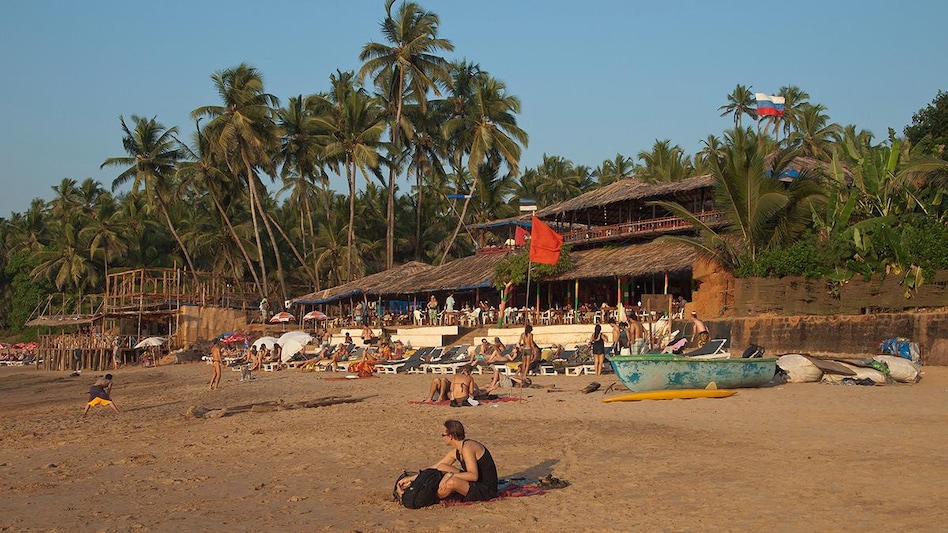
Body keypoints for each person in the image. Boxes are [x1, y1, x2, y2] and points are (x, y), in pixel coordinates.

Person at [430, 420, 498, 501]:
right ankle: (427, 493)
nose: (442, 438)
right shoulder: (457, 450)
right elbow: (436, 467)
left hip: (486, 490)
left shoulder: (468, 447)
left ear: (451, 436)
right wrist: (417, 476)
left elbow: (473, 476)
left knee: (451, 482)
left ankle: (430, 498)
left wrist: (449, 475)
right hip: (475, 483)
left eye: (443, 435)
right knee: (442, 467)